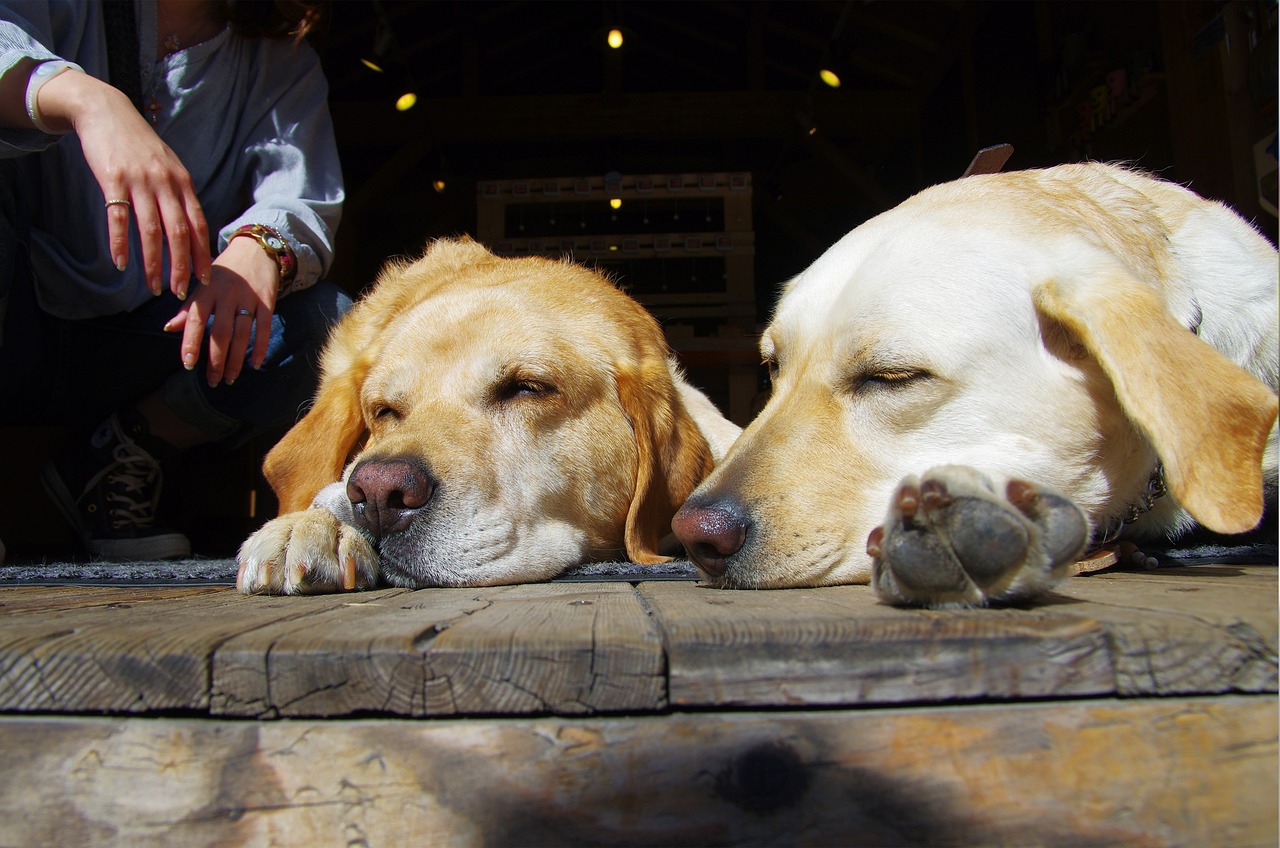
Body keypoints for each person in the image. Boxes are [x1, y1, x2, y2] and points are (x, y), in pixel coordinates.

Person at [0, 0, 350, 560]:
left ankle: (116, 454)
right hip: (21, 320)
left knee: (327, 326)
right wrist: (90, 101)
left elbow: (299, 191)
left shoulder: (279, 60)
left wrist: (257, 250)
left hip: (165, 339)